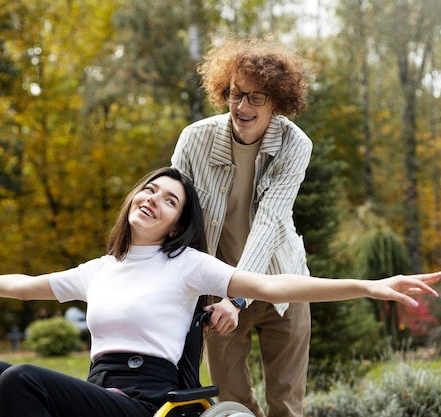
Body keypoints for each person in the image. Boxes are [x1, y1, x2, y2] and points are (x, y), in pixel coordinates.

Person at [0, 167, 441, 417]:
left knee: (21, 381)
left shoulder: (187, 265)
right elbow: (24, 286)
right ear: (132, 200)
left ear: (174, 225)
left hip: (150, 404)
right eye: (149, 189)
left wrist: (366, 286)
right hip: (102, 393)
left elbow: (272, 283)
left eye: (169, 201)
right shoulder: (101, 268)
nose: (153, 199)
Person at [170, 36, 314, 417]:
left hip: (282, 283)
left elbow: (270, 220)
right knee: (231, 400)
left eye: (256, 97)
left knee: (285, 403)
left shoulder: (295, 144)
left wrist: (239, 298)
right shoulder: (194, 139)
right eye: (236, 94)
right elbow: (176, 213)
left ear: (278, 102)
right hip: (219, 287)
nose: (242, 106)